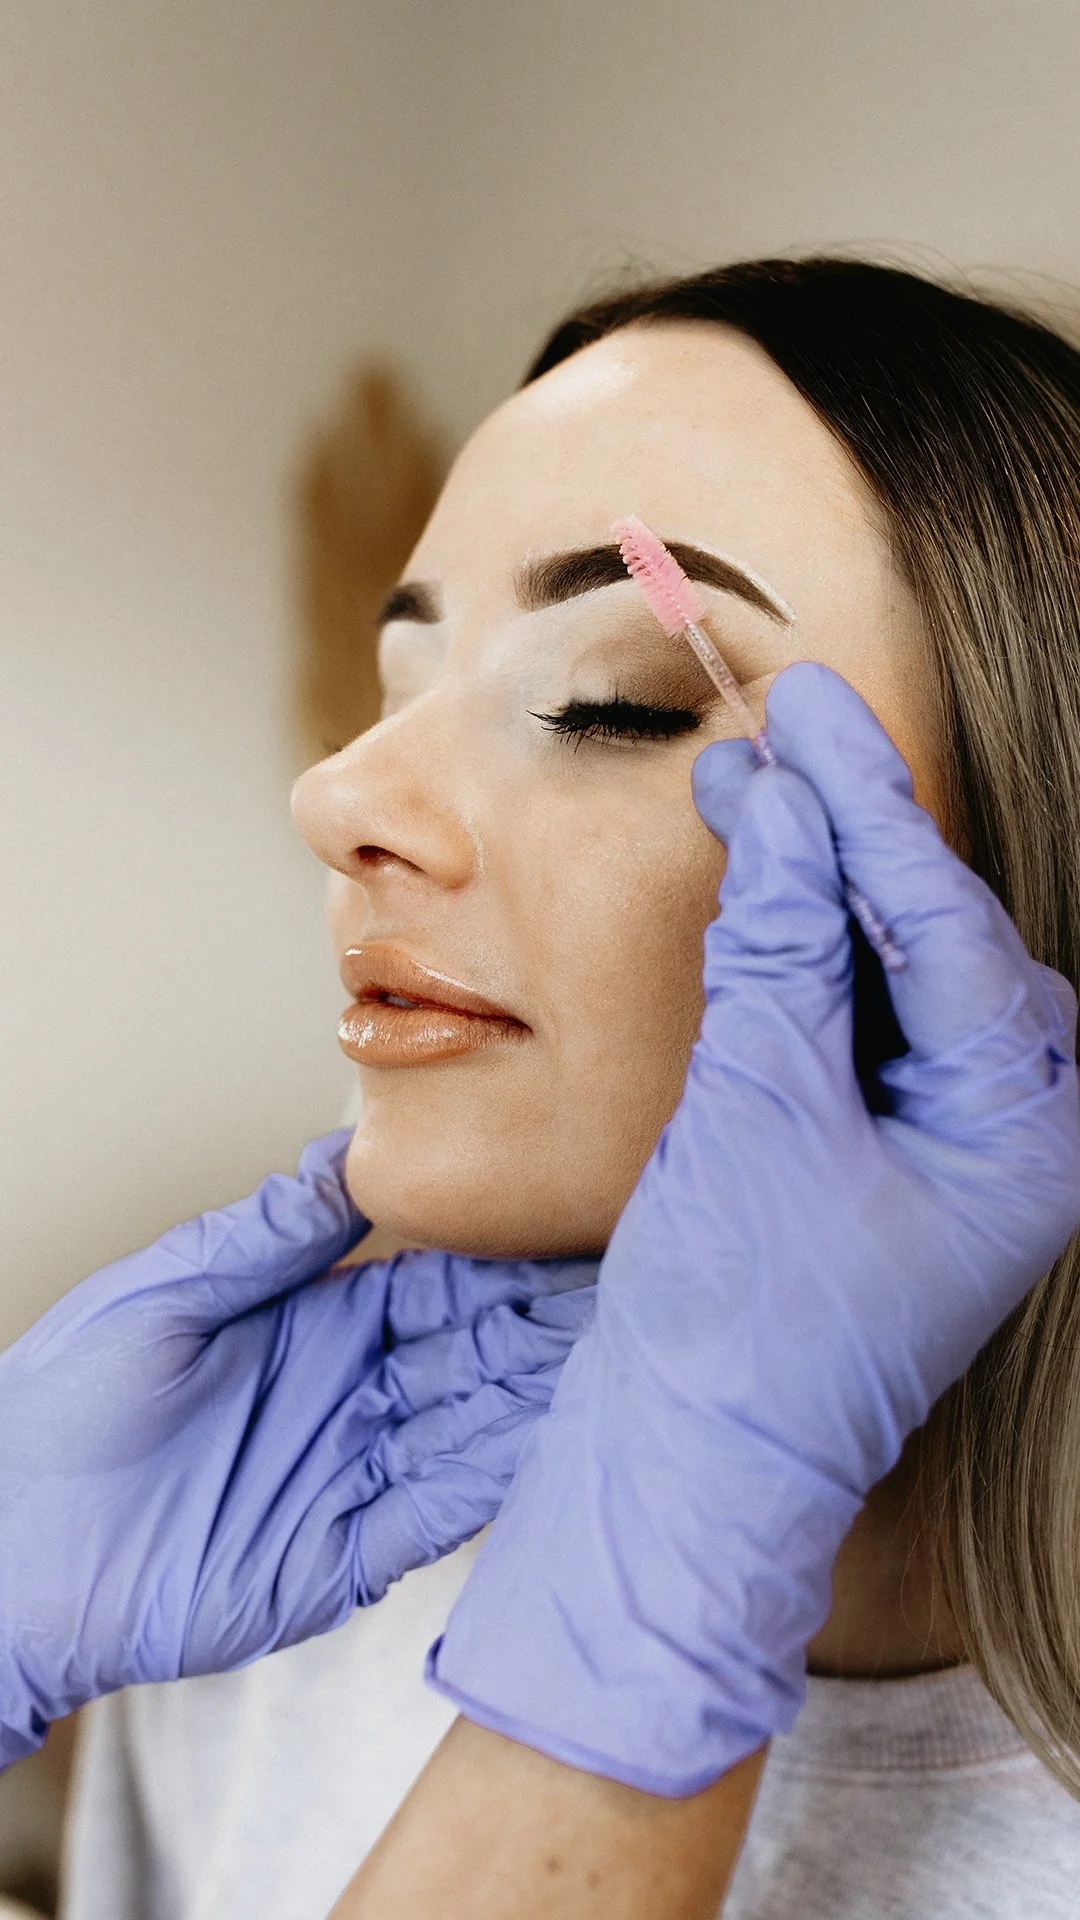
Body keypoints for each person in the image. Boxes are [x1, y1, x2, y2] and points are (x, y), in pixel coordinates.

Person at [43, 256, 1080, 1916]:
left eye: (611, 701)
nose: (336, 793)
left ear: (1020, 898)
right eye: (399, 689)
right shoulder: (260, 1639)